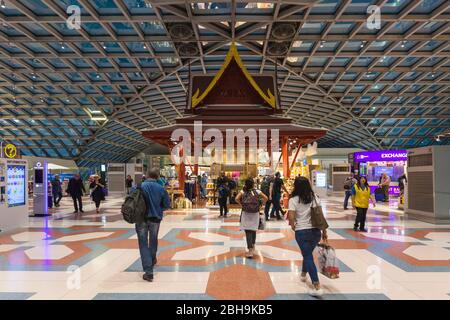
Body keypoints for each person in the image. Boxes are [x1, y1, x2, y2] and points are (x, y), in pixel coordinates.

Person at [287, 176, 328, 297]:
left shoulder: (293, 199)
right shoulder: (315, 197)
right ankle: (304, 274)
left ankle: (317, 286)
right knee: (308, 253)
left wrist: (294, 227)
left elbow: (291, 217)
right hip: (315, 232)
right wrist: (324, 232)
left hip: (302, 232)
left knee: (307, 256)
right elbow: (320, 216)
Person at [136, 168, 170, 282]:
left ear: (146, 175)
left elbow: (132, 201)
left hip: (140, 219)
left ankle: (148, 271)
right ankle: (153, 258)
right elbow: (166, 204)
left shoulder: (139, 186)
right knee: (153, 240)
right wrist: (157, 209)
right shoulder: (161, 188)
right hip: (155, 219)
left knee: (143, 243)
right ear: (158, 177)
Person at [235, 178, 268, 258]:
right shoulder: (257, 191)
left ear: (245, 184)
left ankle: (250, 250)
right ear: (253, 184)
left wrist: (242, 205)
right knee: (253, 229)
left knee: (248, 231)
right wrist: (260, 205)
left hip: (246, 213)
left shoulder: (243, 192)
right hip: (255, 213)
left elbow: (236, 199)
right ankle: (252, 245)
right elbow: (266, 198)